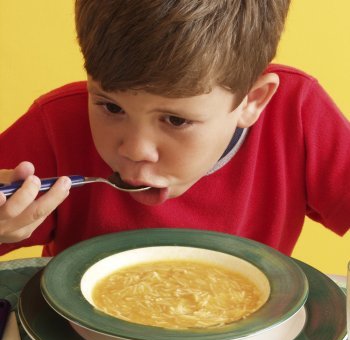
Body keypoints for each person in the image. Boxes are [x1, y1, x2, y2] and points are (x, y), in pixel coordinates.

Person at [0, 0, 349, 257]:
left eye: (176, 120)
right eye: (111, 106)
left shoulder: (297, 114)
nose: (135, 149)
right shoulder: (57, 124)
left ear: (252, 101)